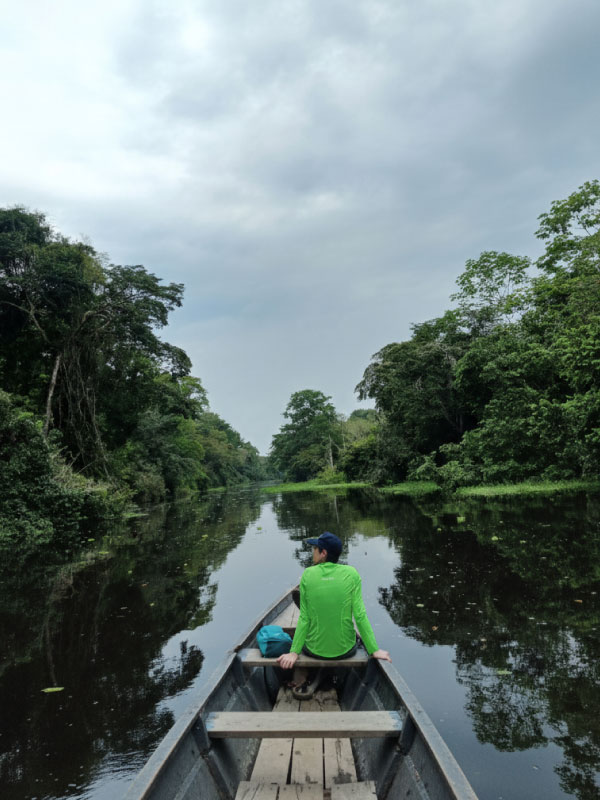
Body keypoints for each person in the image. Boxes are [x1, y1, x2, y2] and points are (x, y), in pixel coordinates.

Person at [277, 531, 391, 696]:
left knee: (308, 626)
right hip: (346, 651)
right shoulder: (352, 574)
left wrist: (294, 652)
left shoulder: (308, 575)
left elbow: (304, 618)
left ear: (323, 553)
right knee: (353, 637)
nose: (312, 552)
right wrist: (374, 650)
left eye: (315, 548)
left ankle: (311, 674)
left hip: (314, 651)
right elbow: (359, 616)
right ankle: (329, 676)